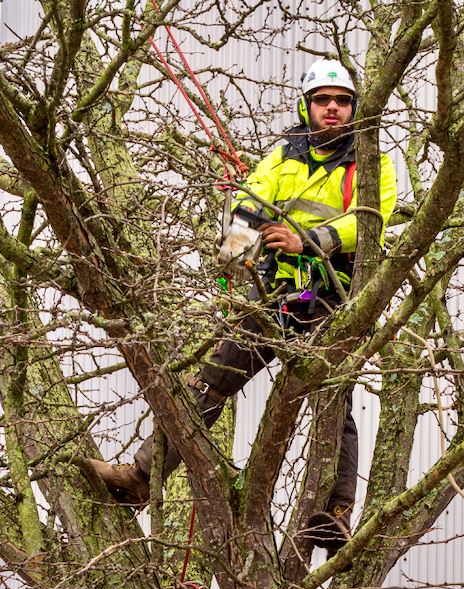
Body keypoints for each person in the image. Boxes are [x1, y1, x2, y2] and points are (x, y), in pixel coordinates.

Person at [86, 58, 398, 556]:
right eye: (323, 100)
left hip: (331, 295)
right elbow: (251, 199)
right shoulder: (285, 154)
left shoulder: (371, 161)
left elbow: (370, 222)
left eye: (342, 100)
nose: (333, 109)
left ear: (354, 107)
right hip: (273, 292)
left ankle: (336, 515)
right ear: (308, 106)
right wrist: (237, 246)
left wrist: (307, 238)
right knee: (208, 381)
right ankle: (141, 477)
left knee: (332, 403)